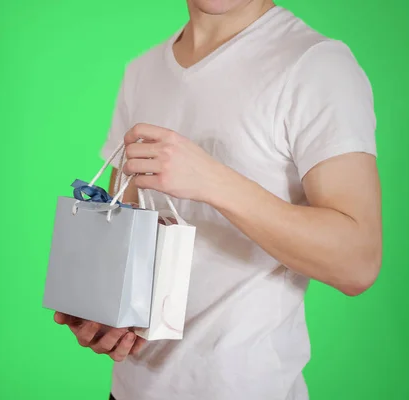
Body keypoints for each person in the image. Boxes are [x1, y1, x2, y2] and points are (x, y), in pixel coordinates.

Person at [54, 0, 382, 398]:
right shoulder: (142, 72)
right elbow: (124, 233)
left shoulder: (317, 65)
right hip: (129, 389)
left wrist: (212, 180)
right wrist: (102, 312)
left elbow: (358, 262)